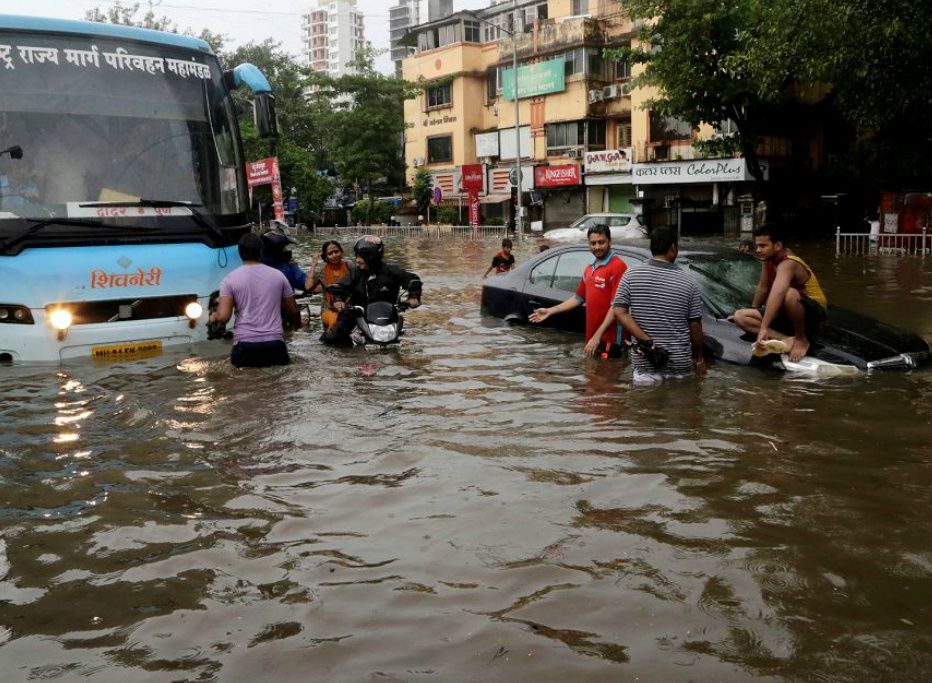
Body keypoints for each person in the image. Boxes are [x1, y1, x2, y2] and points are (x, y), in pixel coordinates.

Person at [610, 226, 705, 383]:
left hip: (645, 362)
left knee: (645, 405)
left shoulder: (631, 275)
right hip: (679, 365)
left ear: (652, 248)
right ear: (673, 248)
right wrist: (699, 358)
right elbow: (695, 325)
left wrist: (646, 340)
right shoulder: (689, 282)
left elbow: (619, 311)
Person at [731, 223, 828, 362]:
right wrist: (753, 310)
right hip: (788, 311)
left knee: (789, 293)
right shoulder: (768, 260)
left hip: (813, 312)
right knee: (740, 316)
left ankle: (801, 339)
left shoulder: (789, 262)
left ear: (777, 245)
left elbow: (778, 293)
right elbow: (763, 288)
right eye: (757, 246)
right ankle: (787, 339)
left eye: (763, 246)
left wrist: (764, 328)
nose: (758, 250)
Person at [528, 224, 628, 358]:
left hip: (611, 339)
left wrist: (597, 336)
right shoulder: (589, 269)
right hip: (593, 338)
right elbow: (578, 298)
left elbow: (616, 307)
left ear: (610, 242)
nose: (597, 247)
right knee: (593, 377)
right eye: (593, 243)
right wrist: (550, 311)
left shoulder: (617, 266)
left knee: (609, 376)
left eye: (601, 242)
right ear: (589, 244)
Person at [208, 232, 301, 367]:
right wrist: (298, 325)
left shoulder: (229, 280)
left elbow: (224, 317)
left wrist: (213, 317)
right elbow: (293, 310)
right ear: (261, 251)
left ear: (239, 253)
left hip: (245, 345)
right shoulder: (278, 276)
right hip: (275, 344)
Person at [322, 235, 422, 344]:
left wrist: (413, 296)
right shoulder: (355, 273)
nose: (357, 260)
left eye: (360, 256)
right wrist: (338, 300)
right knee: (333, 339)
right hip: (358, 314)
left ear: (371, 256)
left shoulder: (392, 271)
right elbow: (342, 287)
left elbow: (413, 280)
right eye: (357, 256)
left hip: (387, 317)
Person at [307, 240, 353, 332]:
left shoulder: (350, 266)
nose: (334, 255)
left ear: (341, 252)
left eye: (336, 252)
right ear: (326, 257)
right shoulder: (322, 270)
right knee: (335, 323)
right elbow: (308, 287)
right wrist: (313, 265)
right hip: (329, 309)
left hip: (350, 307)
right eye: (330, 253)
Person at [260, 229, 310, 293]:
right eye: (283, 247)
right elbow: (305, 283)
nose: (286, 249)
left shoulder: (254, 265)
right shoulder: (287, 266)